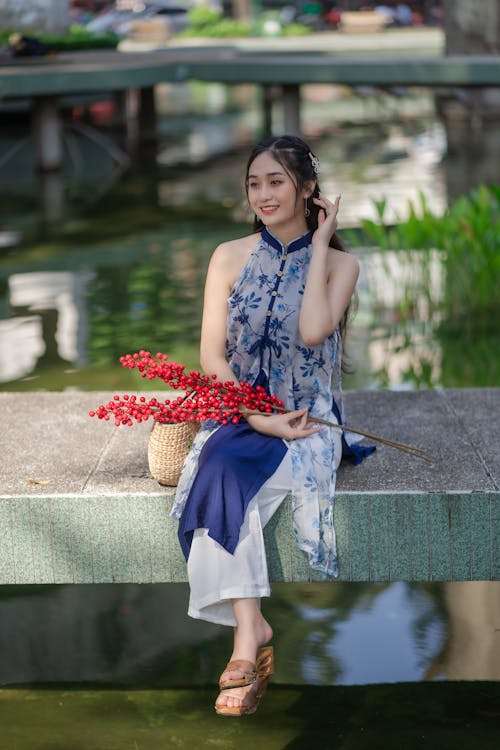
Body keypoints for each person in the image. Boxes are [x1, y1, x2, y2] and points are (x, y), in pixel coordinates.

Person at [170, 134, 373, 716]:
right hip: (243, 413)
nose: (263, 194)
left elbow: (312, 332)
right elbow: (212, 356)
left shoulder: (342, 264)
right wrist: (256, 416)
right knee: (221, 466)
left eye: (276, 182)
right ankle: (250, 628)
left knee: (222, 475)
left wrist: (322, 241)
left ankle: (246, 640)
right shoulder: (227, 256)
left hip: (307, 420)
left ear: (308, 189)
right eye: (254, 184)